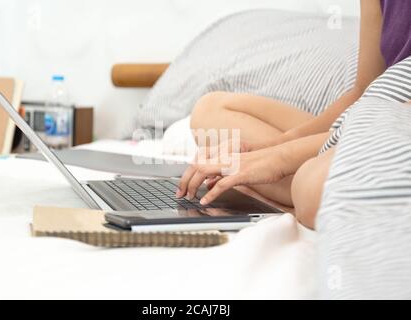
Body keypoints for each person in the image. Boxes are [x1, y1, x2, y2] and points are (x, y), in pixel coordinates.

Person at [176, 0, 411, 229]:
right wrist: (269, 149)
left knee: (311, 187)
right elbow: (362, 92)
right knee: (211, 110)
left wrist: (281, 158)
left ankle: (286, 195)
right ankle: (281, 190)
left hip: (396, 131)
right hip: (371, 119)